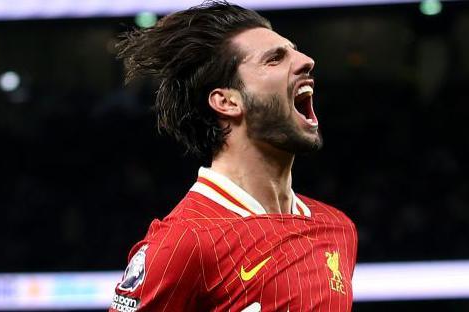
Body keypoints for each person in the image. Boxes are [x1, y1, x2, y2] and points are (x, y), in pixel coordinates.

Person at [110, 1, 357, 311]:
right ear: (227, 102)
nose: (307, 61)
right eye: (275, 59)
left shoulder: (337, 228)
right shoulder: (184, 243)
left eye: (295, 51)